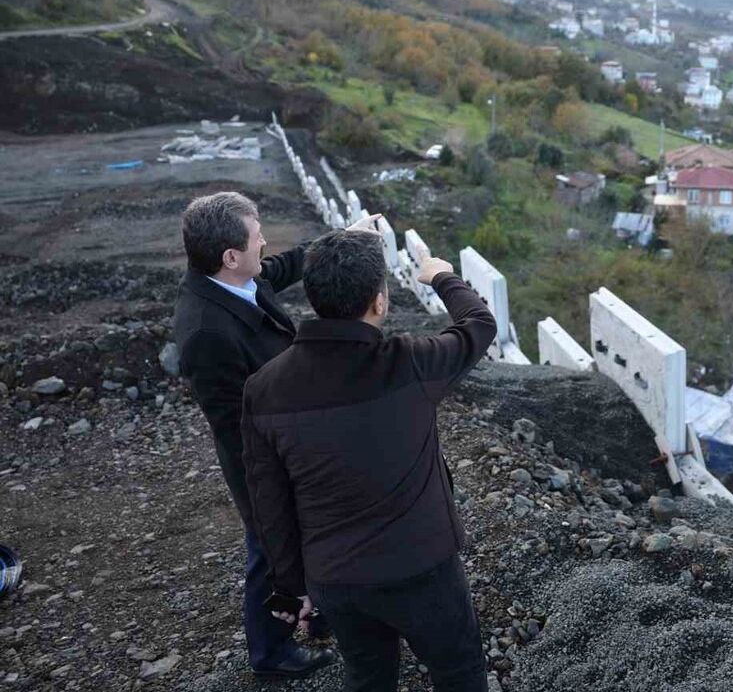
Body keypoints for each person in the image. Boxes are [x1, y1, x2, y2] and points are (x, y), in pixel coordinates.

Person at [240, 229, 496, 692]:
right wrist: (441, 276)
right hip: (424, 570)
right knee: (458, 673)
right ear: (379, 302)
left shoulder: (263, 388)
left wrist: (290, 585)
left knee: (367, 676)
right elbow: (478, 324)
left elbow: (268, 502)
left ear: (313, 296)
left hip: (335, 580)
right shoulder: (412, 363)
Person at [173, 191, 380, 678]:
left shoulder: (235, 279)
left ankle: (320, 610)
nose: (264, 240)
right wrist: (277, 483)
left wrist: (343, 238)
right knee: (270, 551)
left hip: (292, 438)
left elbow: (286, 266)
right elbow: (233, 427)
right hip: (262, 461)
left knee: (312, 532)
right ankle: (270, 655)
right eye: (256, 234)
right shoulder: (205, 333)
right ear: (230, 256)